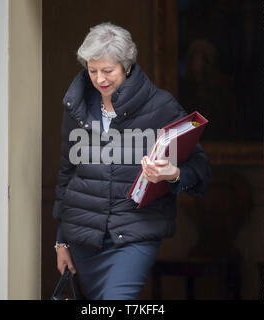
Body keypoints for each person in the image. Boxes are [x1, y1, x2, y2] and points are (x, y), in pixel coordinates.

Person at [53, 22, 210, 300]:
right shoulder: (75, 106)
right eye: (92, 70)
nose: (99, 79)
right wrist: (61, 240)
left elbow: (199, 168)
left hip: (136, 234)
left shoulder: (161, 106)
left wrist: (172, 174)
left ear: (126, 66)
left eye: (108, 71)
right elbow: (67, 175)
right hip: (84, 237)